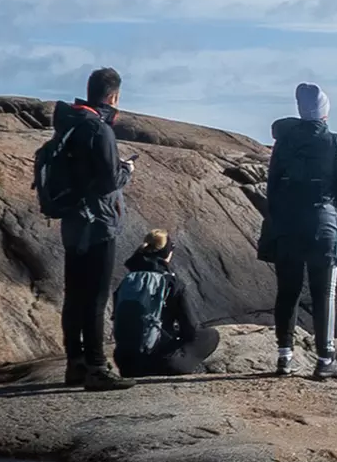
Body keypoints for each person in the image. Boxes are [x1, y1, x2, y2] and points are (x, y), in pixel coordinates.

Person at [258, 82, 337, 381]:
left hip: (287, 226)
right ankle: (325, 359)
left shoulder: (284, 142)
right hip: (322, 225)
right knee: (323, 293)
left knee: (287, 291)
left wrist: (276, 221)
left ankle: (284, 357)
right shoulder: (334, 142)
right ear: (324, 113)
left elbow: (273, 186)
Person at [50, 67, 135, 392]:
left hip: (73, 221)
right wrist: (127, 170)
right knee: (96, 298)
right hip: (98, 223)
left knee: (75, 295)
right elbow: (109, 180)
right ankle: (97, 367)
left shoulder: (70, 123)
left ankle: (76, 363)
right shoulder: (100, 130)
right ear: (113, 96)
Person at [113, 230, 221, 377]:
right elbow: (190, 329)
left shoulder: (128, 282)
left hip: (126, 363)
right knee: (210, 335)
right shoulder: (170, 282)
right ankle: (190, 366)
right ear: (166, 253)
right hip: (163, 362)